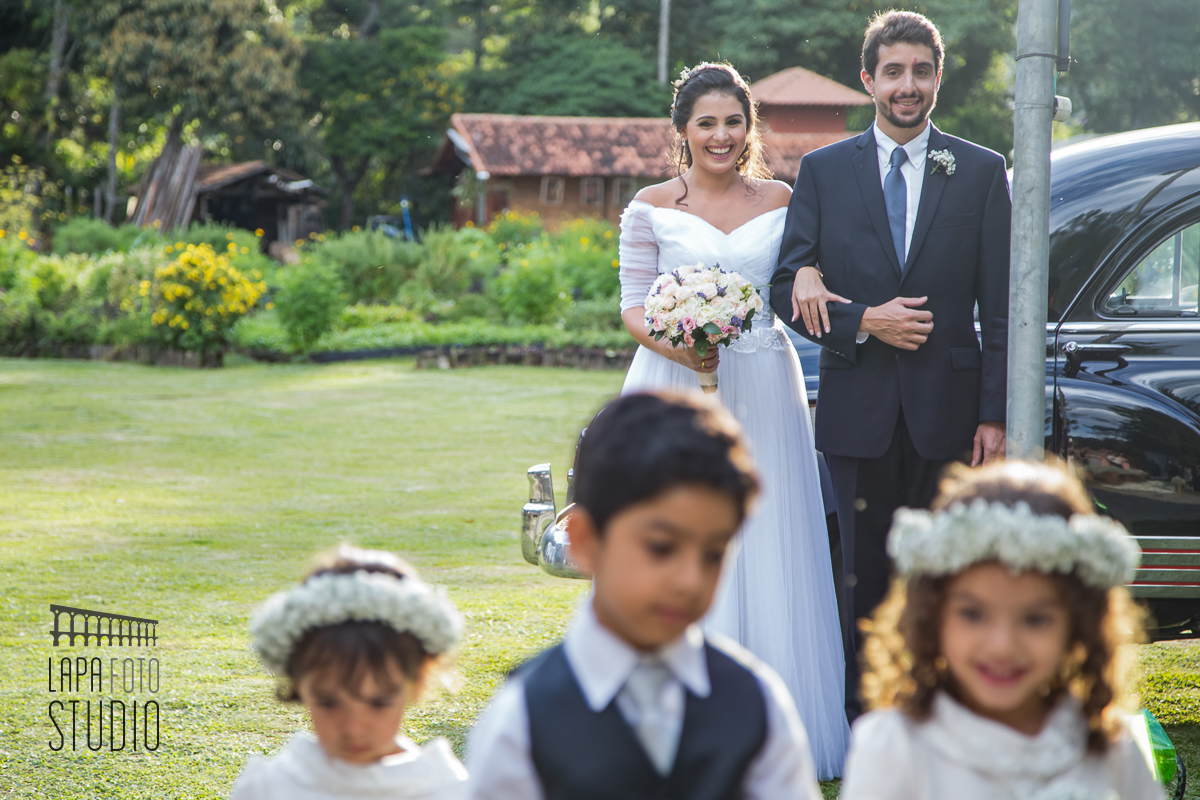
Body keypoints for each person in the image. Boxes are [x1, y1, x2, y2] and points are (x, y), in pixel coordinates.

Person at [769, 10, 1012, 721]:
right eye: (895, 72)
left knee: (945, 572)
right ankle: (864, 724)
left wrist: (993, 413)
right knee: (860, 576)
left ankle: (940, 717)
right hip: (858, 409)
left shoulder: (980, 170)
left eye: (922, 71)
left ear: (939, 77)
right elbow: (787, 284)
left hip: (952, 413)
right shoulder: (821, 170)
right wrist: (864, 322)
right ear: (868, 79)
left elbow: (999, 306)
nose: (909, 86)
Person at [617, 61, 850, 778]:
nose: (721, 135)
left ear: (750, 126)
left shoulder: (786, 196)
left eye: (733, 121)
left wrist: (808, 274)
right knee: (676, 529)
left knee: (769, 529)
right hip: (676, 379)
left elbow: (805, 271)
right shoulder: (650, 206)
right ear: (683, 132)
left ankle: (781, 718)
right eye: (706, 123)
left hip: (764, 380)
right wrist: (689, 354)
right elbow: (630, 308)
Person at [466, 392, 823, 800]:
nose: (689, 580)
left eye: (713, 553)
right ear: (585, 541)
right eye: (660, 547)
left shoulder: (756, 702)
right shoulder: (522, 718)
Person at [839, 461, 1162, 800]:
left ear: (1079, 622)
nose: (1002, 646)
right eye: (973, 614)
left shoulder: (1111, 748)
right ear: (932, 615)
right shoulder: (894, 749)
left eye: (1035, 619)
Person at [231, 546, 468, 800]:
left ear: (418, 680)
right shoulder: (268, 788)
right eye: (329, 702)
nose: (354, 728)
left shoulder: (445, 789)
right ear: (299, 683)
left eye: (379, 703)